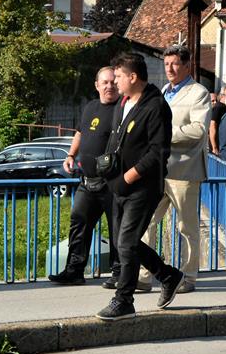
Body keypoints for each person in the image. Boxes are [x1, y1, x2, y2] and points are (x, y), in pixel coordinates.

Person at [94, 53, 185, 321]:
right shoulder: (124, 101)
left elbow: (158, 152)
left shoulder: (156, 107)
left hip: (143, 187)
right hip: (118, 184)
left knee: (127, 242)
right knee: (125, 242)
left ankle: (124, 300)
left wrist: (128, 177)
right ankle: (168, 275)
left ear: (133, 77)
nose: (115, 81)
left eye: (119, 76)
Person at [138, 45, 210, 295]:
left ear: (186, 65)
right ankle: (144, 276)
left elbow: (199, 130)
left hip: (184, 170)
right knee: (146, 222)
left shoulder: (198, 92)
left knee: (187, 227)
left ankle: (188, 276)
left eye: (175, 64)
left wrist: (163, 136)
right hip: (158, 171)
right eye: (167, 63)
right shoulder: (163, 92)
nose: (169, 68)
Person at [49, 66, 122, 286]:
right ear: (97, 85)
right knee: (78, 223)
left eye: (113, 82)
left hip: (112, 183)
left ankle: (119, 274)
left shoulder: (124, 108)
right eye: (105, 82)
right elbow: (80, 132)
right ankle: (74, 271)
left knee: (117, 229)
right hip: (87, 181)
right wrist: (70, 155)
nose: (110, 86)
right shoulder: (90, 107)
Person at [208, 92, 226, 156]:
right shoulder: (217, 108)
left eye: (216, 100)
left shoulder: (218, 108)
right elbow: (212, 126)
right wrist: (214, 147)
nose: (215, 102)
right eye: (212, 101)